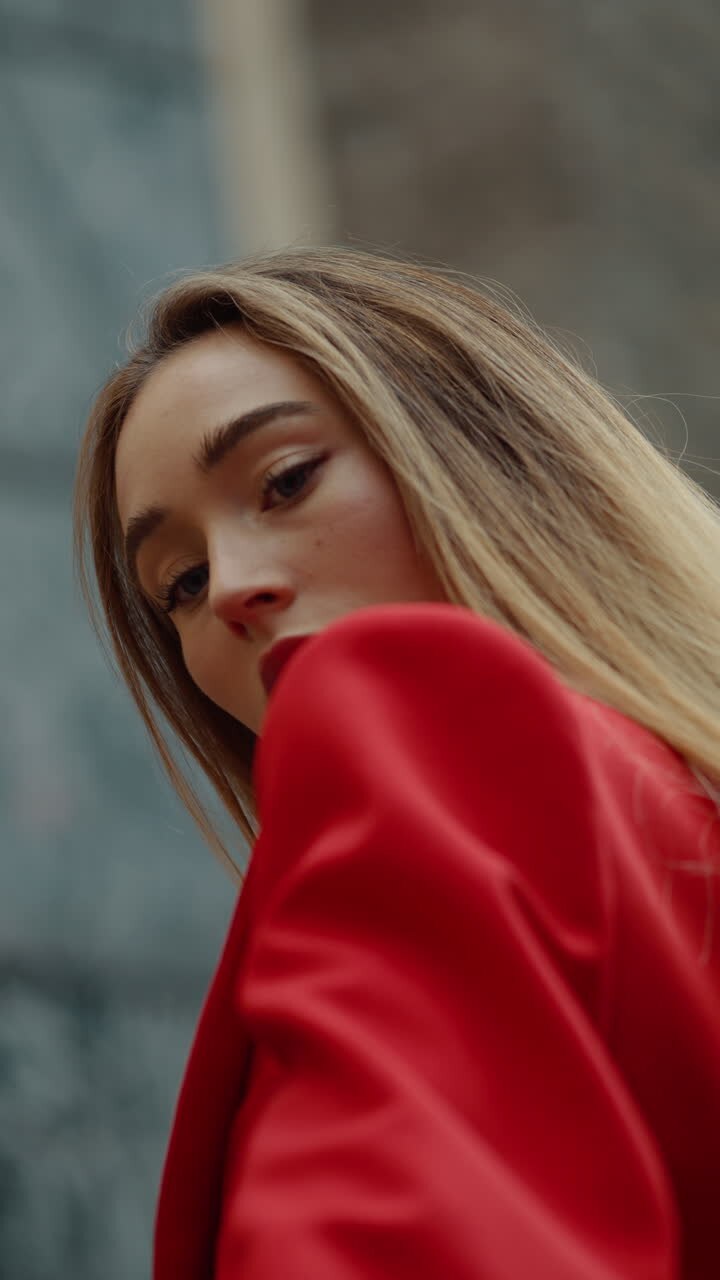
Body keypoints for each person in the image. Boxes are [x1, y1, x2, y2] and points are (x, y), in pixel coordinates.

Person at [74, 245, 720, 1279]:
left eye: (286, 479)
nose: (230, 586)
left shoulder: (415, 721)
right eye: (180, 582)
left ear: (487, 454)